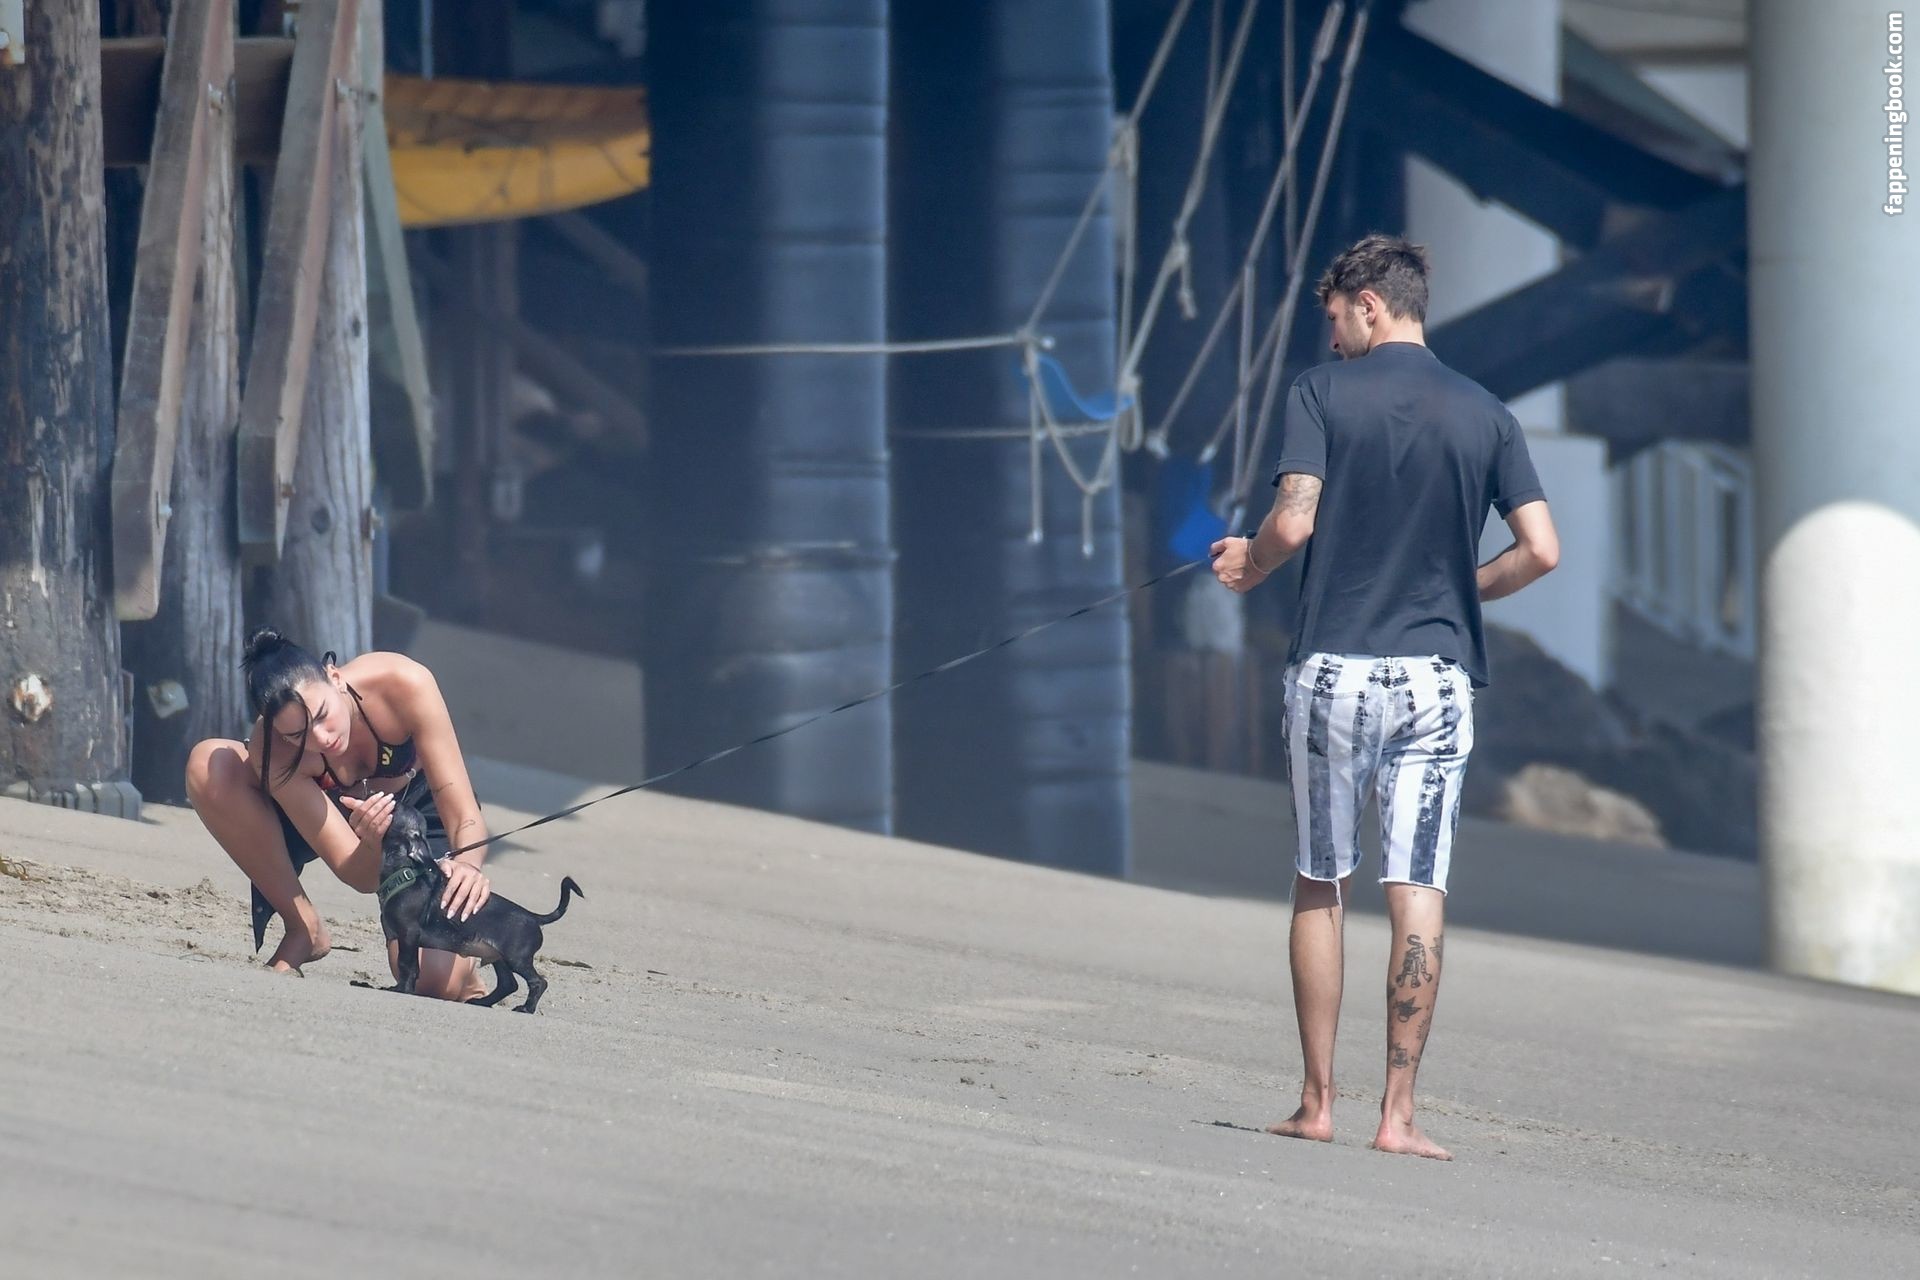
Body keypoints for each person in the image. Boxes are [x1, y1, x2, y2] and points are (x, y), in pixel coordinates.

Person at [1210, 233, 1561, 1160]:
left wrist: (1250, 563)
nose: (1332, 339)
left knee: (1322, 877)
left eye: (1335, 318)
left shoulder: (1321, 393)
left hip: (1335, 668)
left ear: (1369, 304)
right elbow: (1541, 549)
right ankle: (1398, 1116)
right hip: (1435, 679)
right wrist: (1459, 593)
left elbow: (1293, 520)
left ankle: (1317, 1103)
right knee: (1419, 885)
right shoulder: (1489, 414)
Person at [185, 628, 495, 1000]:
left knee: (430, 980)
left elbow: (462, 812)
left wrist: (467, 865)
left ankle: (468, 972)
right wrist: (371, 844)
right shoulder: (274, 750)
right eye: (297, 735)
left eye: (322, 715)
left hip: (420, 809)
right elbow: (358, 875)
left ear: (334, 676)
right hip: (337, 812)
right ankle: (303, 927)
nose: (321, 739)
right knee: (210, 764)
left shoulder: (403, 683)